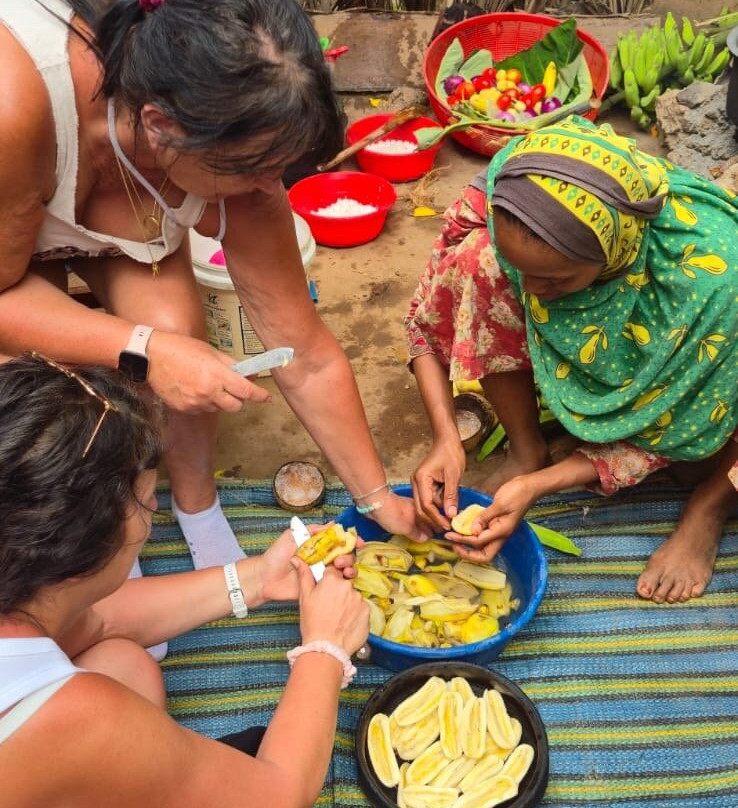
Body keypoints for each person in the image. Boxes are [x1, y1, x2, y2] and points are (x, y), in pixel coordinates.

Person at [0, 0, 421, 579]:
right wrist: (143, 350)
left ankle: (195, 504)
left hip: (118, 215)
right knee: (46, 390)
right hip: (13, 228)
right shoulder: (15, 111)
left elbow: (308, 357)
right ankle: (97, 538)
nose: (268, 186)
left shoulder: (243, 169)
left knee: (178, 334)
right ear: (160, 126)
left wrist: (379, 499)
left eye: (283, 164)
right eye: (250, 166)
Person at [0, 354, 369, 807]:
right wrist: (325, 650)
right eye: (147, 500)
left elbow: (94, 623)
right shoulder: (79, 715)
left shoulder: (23, 579)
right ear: (90, 541)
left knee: (125, 665)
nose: (152, 513)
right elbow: (276, 796)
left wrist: (256, 578)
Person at [406, 117, 738, 604]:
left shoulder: (710, 285)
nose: (533, 292)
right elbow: (426, 320)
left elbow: (675, 425)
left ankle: (712, 503)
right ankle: (527, 447)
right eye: (526, 273)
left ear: (615, 255)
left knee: (697, 458)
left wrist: (538, 488)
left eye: (556, 280)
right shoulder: (509, 189)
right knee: (479, 261)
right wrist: (446, 438)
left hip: (720, 371)